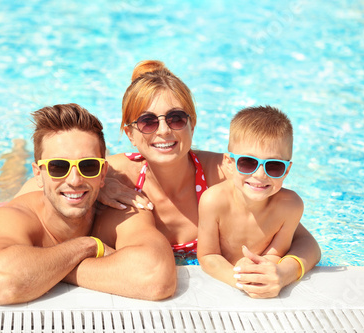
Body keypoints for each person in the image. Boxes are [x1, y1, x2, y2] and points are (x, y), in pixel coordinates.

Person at [16, 60, 321, 298]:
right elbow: (31, 194)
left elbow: (304, 239)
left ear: (192, 124)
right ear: (130, 134)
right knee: (8, 179)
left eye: (176, 118)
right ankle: (12, 159)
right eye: (147, 122)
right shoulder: (112, 173)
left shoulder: (226, 173)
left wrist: (285, 272)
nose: (163, 131)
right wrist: (97, 183)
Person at [0, 103, 176, 305]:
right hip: (16, 198)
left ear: (103, 173)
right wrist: (87, 246)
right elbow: (1, 285)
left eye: (88, 166)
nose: (74, 180)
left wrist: (48, 270)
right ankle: (17, 150)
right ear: (38, 174)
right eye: (58, 167)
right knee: (7, 182)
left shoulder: (121, 211)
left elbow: (157, 278)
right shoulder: (13, 216)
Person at [197, 106, 305, 294]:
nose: (260, 174)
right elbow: (208, 255)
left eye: (274, 166)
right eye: (247, 162)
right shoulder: (213, 201)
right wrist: (239, 278)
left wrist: (261, 274)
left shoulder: (290, 206)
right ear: (229, 164)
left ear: (287, 170)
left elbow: (275, 254)